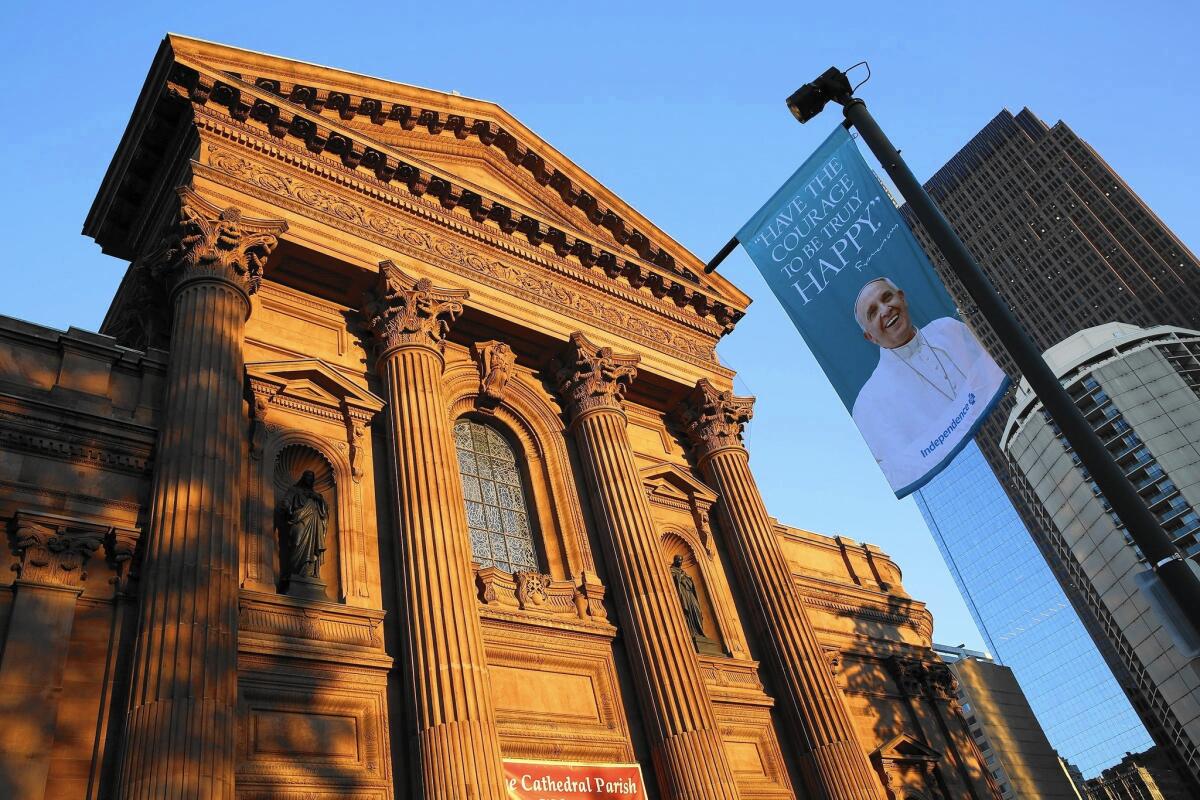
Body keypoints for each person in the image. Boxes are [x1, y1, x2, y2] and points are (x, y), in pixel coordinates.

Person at [850, 277, 1004, 490]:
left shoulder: (949, 328)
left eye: (887, 298)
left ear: (902, 298)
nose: (885, 310)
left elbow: (994, 376)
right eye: (873, 312)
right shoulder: (868, 403)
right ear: (870, 337)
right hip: (960, 483)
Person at [281, 470, 328, 580]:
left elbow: (325, 510)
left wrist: (319, 499)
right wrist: (287, 507)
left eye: (311, 477)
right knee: (297, 542)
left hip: (314, 523)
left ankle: (308, 572)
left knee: (312, 548)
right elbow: (286, 501)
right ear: (303, 478)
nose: (309, 479)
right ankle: (294, 572)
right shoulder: (294, 490)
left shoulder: (316, 495)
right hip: (299, 520)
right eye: (307, 476)